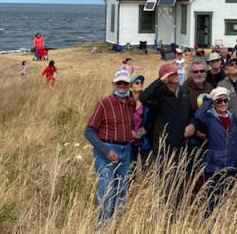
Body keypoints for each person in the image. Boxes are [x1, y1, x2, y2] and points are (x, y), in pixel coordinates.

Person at [84, 70, 135, 221]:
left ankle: (117, 222)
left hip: (126, 150)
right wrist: (106, 151)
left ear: (129, 85)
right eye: (118, 83)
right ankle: (103, 225)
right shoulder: (104, 104)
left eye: (125, 83)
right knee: (107, 188)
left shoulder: (130, 103)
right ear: (113, 84)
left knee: (122, 187)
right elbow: (88, 131)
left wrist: (131, 133)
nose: (122, 86)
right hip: (106, 151)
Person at [194, 87, 237, 214]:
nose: (223, 104)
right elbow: (198, 116)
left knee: (226, 198)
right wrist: (209, 99)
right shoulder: (209, 118)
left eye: (225, 100)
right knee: (212, 198)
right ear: (214, 103)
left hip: (231, 164)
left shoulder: (233, 117)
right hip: (215, 165)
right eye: (219, 101)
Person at [139, 63, 196, 154]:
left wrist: (192, 124)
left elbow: (191, 113)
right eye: (172, 74)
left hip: (183, 141)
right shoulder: (159, 94)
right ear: (165, 77)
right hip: (164, 144)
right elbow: (143, 98)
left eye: (176, 72)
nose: (176, 75)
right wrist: (160, 81)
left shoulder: (184, 91)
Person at [128, 74, 151, 171]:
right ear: (130, 86)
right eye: (136, 83)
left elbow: (152, 119)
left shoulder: (147, 102)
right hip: (130, 142)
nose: (140, 84)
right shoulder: (126, 102)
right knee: (129, 170)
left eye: (141, 83)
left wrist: (147, 128)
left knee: (147, 169)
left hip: (144, 141)